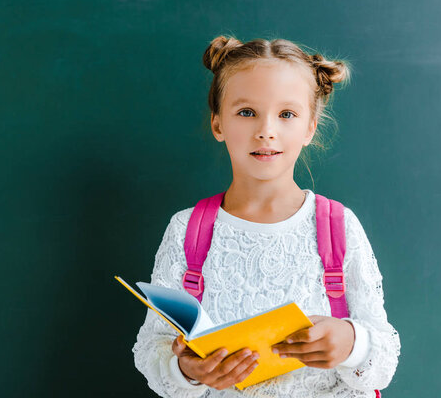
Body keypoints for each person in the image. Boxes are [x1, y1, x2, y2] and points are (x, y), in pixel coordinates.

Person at [132, 35, 401, 397]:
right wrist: (185, 369)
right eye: (246, 112)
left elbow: (382, 360)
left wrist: (352, 343)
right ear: (218, 125)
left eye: (286, 114)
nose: (266, 130)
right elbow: (154, 348)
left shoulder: (338, 226)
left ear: (310, 127)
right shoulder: (188, 229)